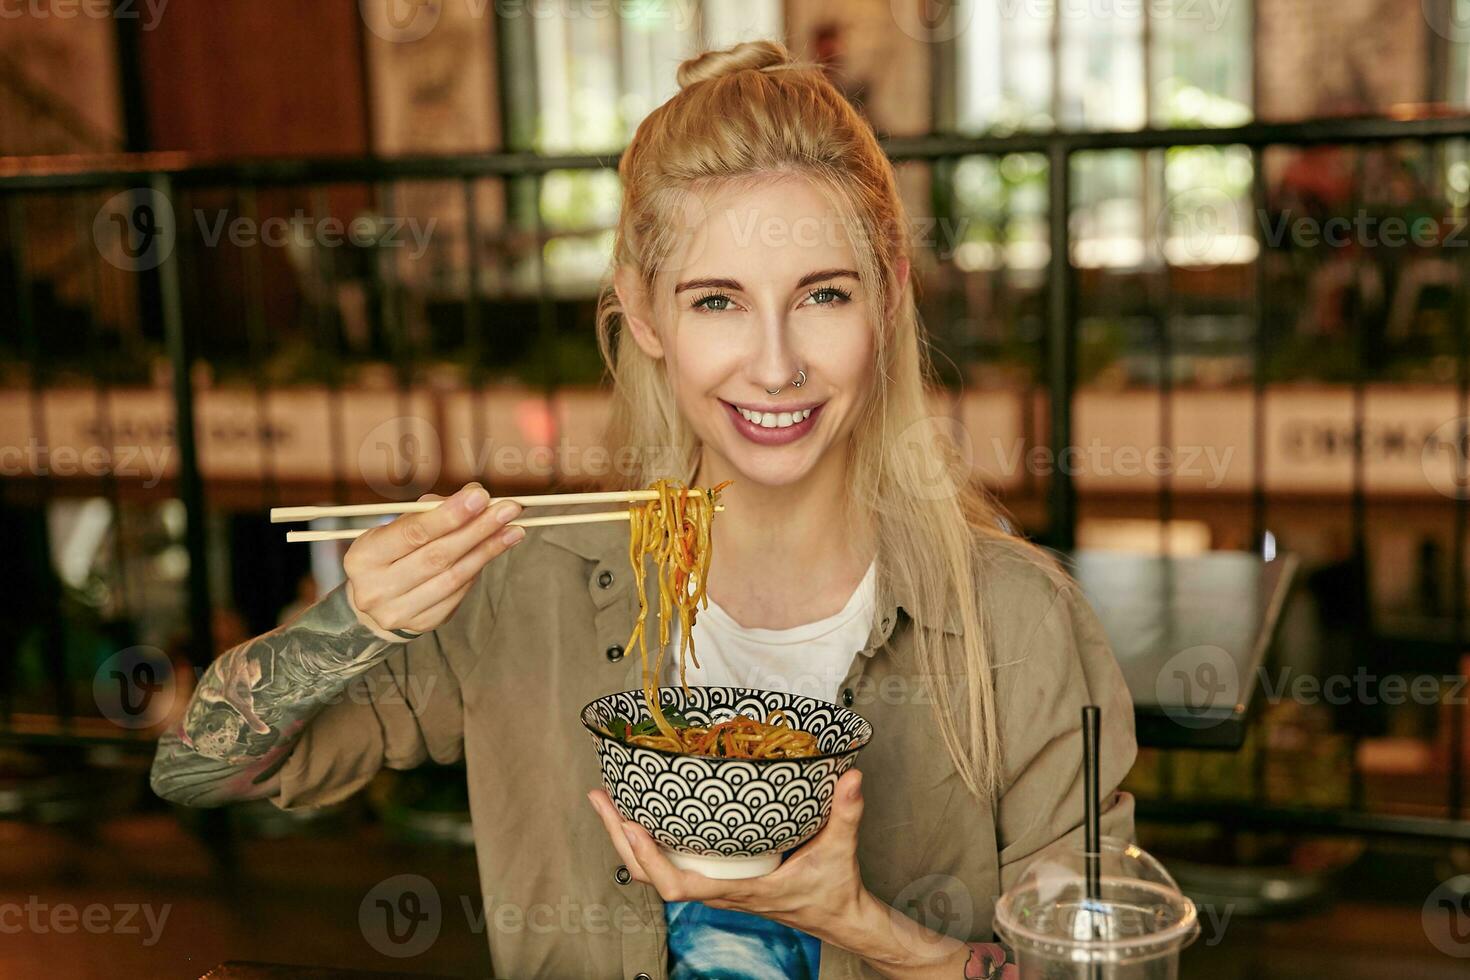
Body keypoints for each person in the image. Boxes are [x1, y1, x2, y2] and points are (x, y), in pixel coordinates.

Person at [151, 40, 1135, 979]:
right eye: (717, 301)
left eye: (823, 294)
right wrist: (349, 622)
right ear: (645, 310)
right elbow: (195, 771)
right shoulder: (525, 585)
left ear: (888, 296)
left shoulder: (1017, 621)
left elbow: (1098, 965)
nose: (777, 361)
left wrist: (865, 926)